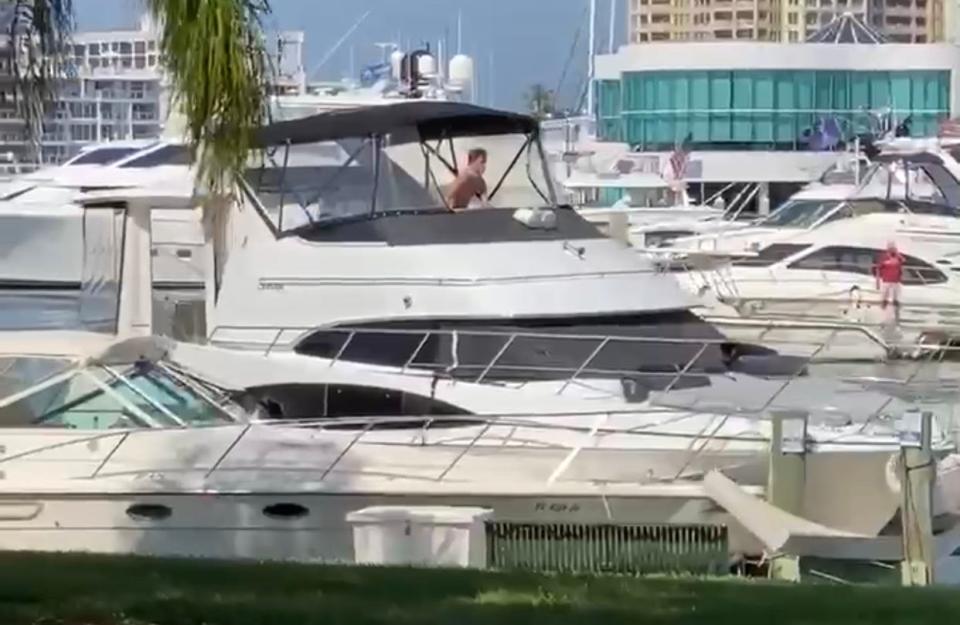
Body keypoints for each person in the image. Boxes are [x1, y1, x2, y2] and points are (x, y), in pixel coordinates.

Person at [874, 240, 905, 321]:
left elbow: (904, 261)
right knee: (884, 299)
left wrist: (897, 253)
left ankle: (897, 316)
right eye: (890, 248)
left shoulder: (898, 257)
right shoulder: (884, 257)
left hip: (896, 280)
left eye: (893, 248)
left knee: (896, 300)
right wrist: (877, 281)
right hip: (886, 280)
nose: (892, 250)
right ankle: (882, 316)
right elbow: (878, 268)